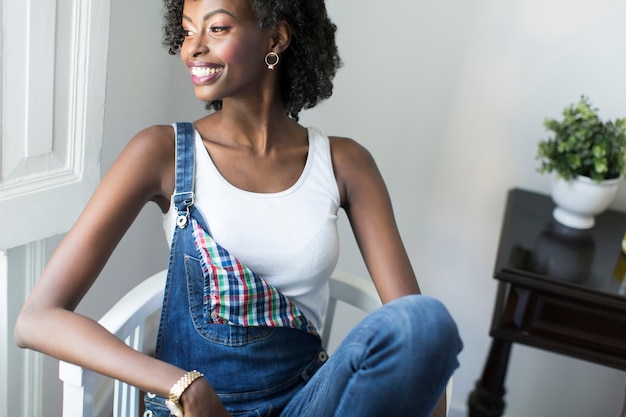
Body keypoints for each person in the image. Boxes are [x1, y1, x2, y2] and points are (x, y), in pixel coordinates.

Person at [14, 0, 462, 416]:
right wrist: (182, 385)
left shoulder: (344, 163)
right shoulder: (162, 152)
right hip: (201, 407)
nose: (194, 48)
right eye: (188, 31)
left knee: (426, 324)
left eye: (218, 27)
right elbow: (37, 320)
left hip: (307, 402)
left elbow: (418, 340)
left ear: (276, 38)